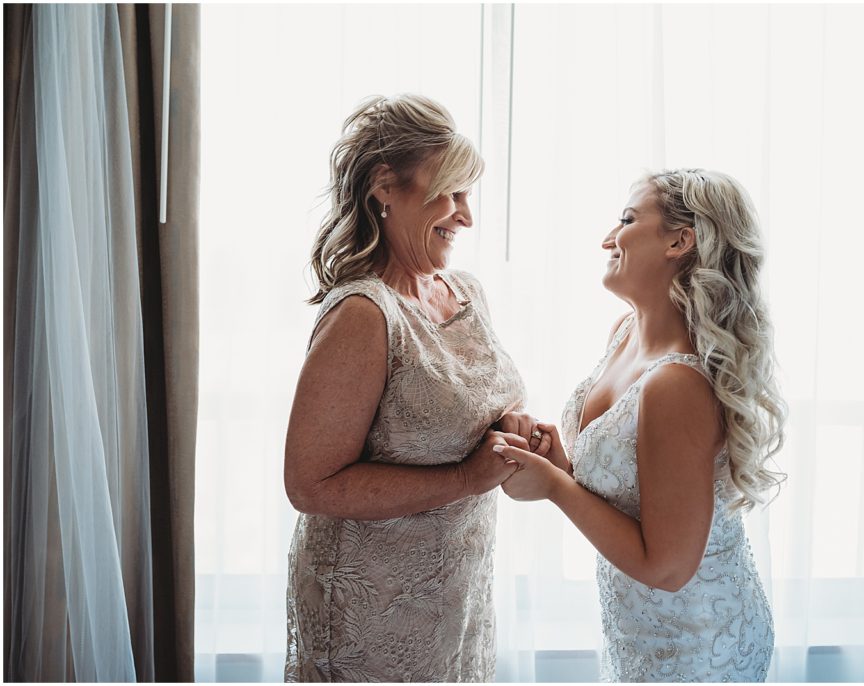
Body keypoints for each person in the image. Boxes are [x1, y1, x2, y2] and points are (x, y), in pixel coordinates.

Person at [283, 94, 536, 682]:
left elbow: (473, 405)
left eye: (468, 195)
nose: (465, 215)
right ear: (384, 187)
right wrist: (466, 479)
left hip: (457, 597)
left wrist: (512, 428)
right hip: (373, 612)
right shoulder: (364, 315)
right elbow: (310, 483)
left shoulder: (466, 292)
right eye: (450, 192)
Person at [497, 169, 786, 682]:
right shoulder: (624, 333)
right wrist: (559, 460)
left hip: (696, 646)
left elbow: (669, 569)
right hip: (639, 630)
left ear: (680, 240)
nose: (608, 238)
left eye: (627, 220)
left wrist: (554, 486)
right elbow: (629, 494)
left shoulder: (676, 384)